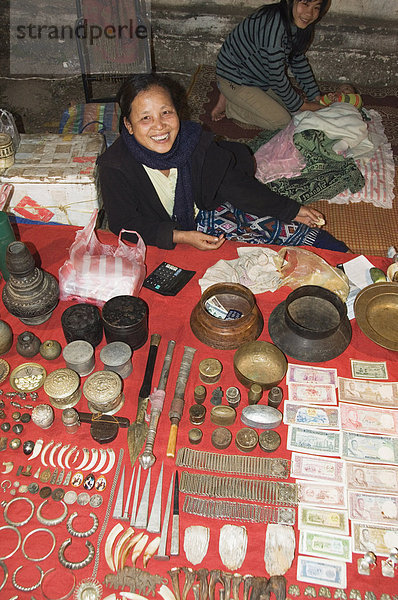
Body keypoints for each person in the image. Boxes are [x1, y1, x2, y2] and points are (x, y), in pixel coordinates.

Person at [98, 73, 349, 251]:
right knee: (243, 261)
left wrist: (291, 209)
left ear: (178, 112)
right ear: (128, 125)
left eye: (166, 112)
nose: (160, 126)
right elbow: (125, 223)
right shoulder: (116, 166)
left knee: (269, 223)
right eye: (145, 118)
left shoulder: (192, 143)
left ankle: (343, 258)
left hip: (206, 207)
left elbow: (235, 185)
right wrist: (180, 237)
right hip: (164, 233)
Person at [211, 0, 329, 128]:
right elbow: (276, 78)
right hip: (235, 78)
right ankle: (231, 106)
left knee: (295, 109)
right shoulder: (274, 27)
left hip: (258, 77)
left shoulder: (296, 23)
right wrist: (304, 105)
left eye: (316, 8)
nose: (309, 13)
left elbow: (297, 59)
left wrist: (316, 97)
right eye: (305, 4)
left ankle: (233, 96)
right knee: (283, 121)